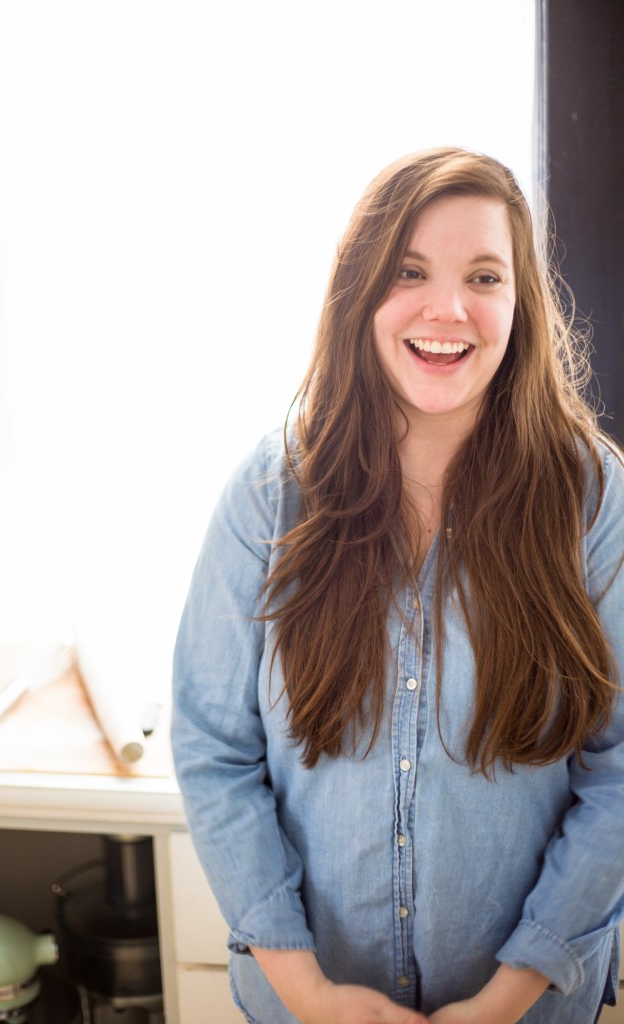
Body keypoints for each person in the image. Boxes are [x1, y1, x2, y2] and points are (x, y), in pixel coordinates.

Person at [170, 147, 624, 1024]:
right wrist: (310, 993)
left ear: (519, 302)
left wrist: (510, 994)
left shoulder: (593, 499)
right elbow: (212, 749)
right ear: (359, 293)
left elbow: (620, 771)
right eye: (409, 271)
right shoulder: (270, 493)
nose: (448, 309)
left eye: (484, 276)